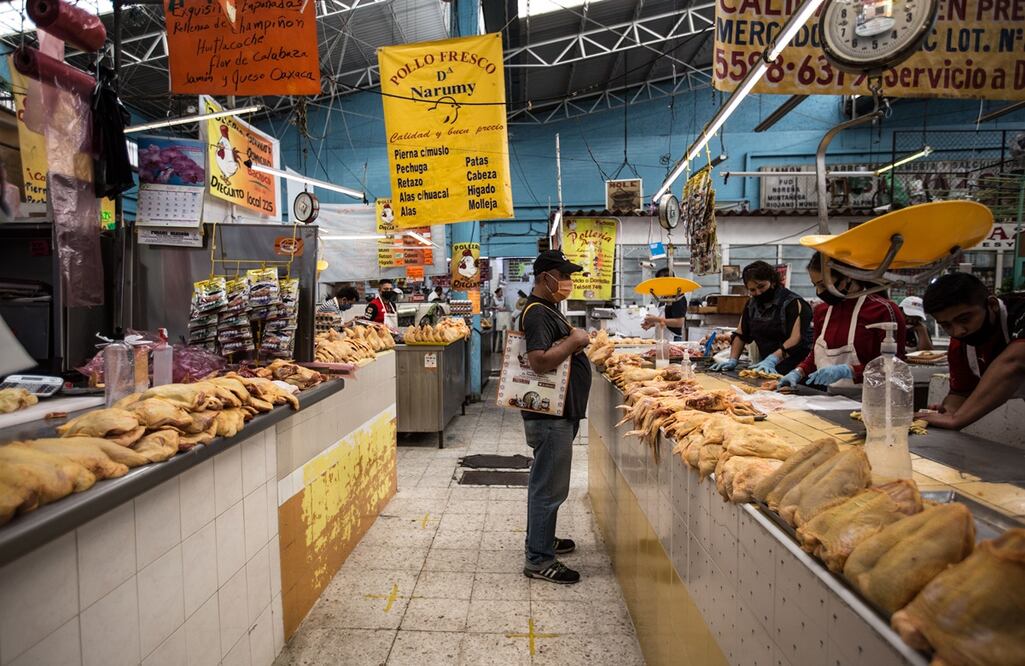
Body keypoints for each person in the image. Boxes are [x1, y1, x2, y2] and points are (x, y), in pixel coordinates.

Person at [521, 250, 592, 585]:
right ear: (545, 276)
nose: (568, 282)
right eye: (563, 275)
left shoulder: (549, 309)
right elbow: (538, 361)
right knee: (548, 488)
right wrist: (575, 341)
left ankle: (543, 541)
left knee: (551, 484)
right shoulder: (536, 313)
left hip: (560, 412)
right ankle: (538, 560)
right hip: (550, 417)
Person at [778, 253, 906, 389]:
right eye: (815, 285)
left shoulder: (884, 310)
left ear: (847, 277)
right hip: (832, 399)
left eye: (822, 285)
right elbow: (816, 355)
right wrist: (799, 371)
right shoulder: (822, 311)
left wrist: (850, 371)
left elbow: (894, 367)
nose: (819, 292)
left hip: (872, 400)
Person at [917, 273, 1025, 430]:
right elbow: (960, 393)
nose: (958, 331)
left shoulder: (1021, 310)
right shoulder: (961, 345)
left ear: (992, 304)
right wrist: (948, 411)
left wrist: (956, 419)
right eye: (946, 325)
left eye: (965, 319)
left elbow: (1014, 362)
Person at [709, 261, 813, 375]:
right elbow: (741, 334)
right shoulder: (752, 305)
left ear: (772, 281)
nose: (758, 293)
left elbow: (796, 339)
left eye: (761, 286)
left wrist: (772, 359)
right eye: (752, 290)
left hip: (798, 370)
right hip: (768, 370)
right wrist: (733, 360)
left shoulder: (793, 303)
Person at [640, 267, 688, 339]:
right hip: (662, 337)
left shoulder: (678, 298)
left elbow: (679, 323)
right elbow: (666, 319)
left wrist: (656, 319)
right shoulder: (664, 298)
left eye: (661, 283)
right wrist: (652, 324)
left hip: (672, 338)